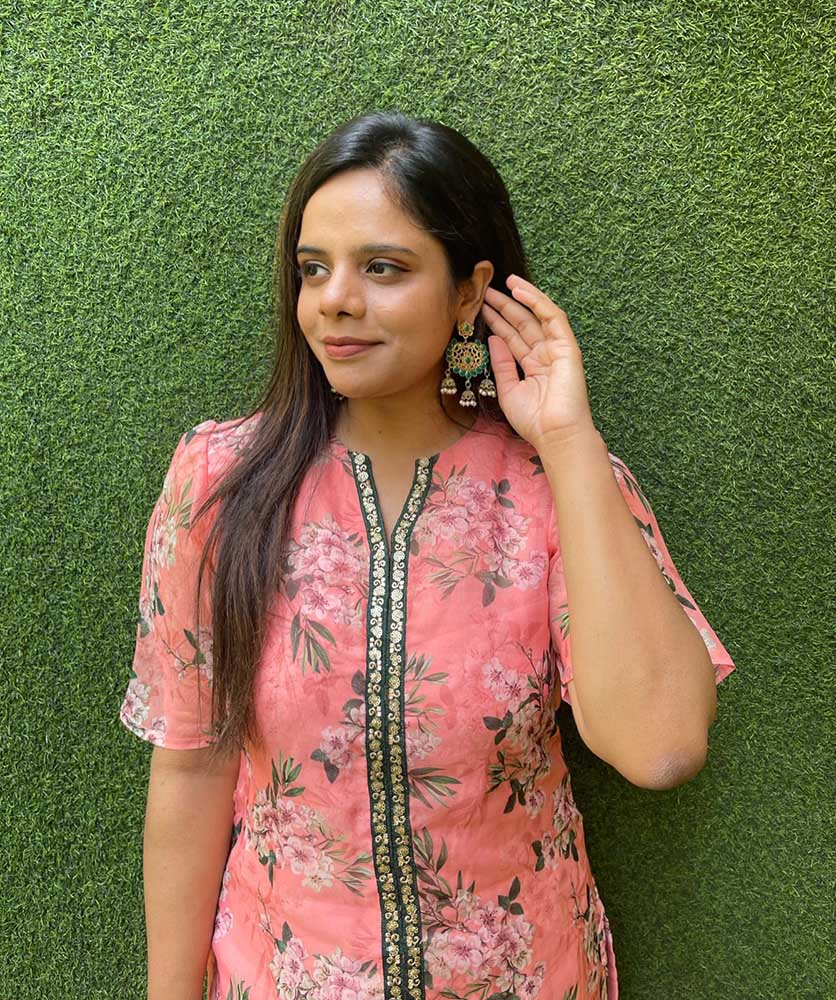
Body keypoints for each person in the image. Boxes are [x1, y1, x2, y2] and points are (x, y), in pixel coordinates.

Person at [119, 110, 736, 1000]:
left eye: (383, 267)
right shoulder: (221, 484)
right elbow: (192, 765)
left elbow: (661, 747)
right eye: (313, 268)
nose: (335, 299)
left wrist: (568, 441)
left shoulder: (558, 489)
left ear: (468, 292)